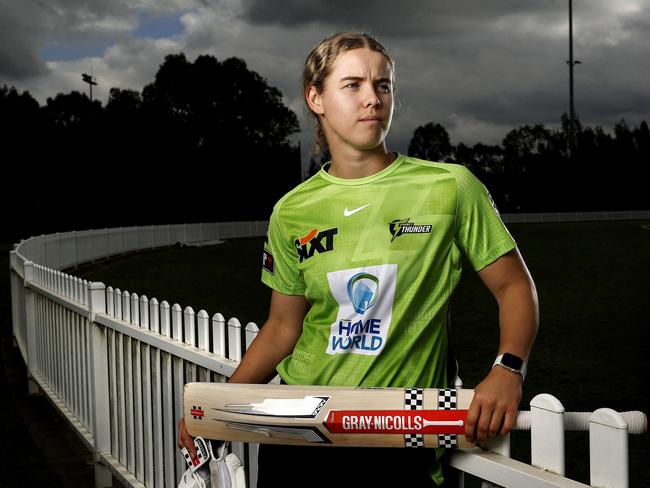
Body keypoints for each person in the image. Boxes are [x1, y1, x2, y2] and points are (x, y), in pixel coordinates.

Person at [179, 31, 538, 487]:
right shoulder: (292, 210)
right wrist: (217, 410)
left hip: (400, 433)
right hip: (303, 429)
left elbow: (514, 286)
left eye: (383, 85)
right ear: (317, 98)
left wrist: (508, 369)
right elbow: (283, 326)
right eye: (353, 85)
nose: (373, 99)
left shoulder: (451, 187)